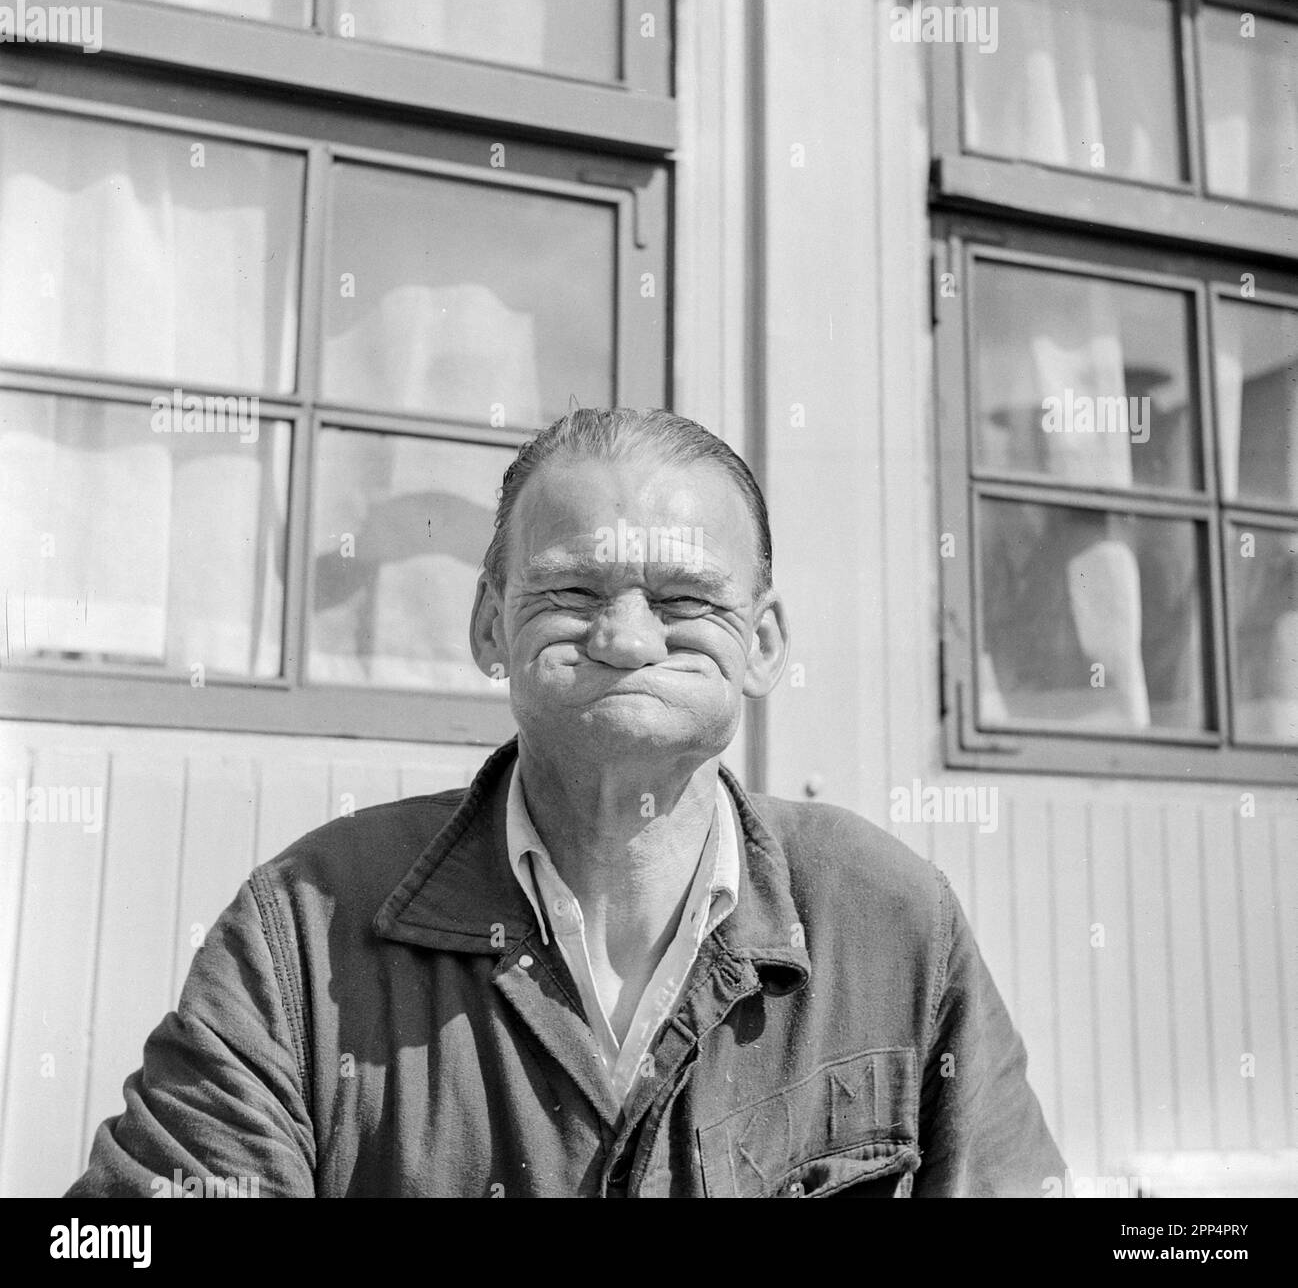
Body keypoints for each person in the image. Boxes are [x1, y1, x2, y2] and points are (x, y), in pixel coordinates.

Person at [68, 407, 1064, 1198]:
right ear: (488, 625)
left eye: (683, 600)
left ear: (761, 644)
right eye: (574, 593)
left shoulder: (892, 920)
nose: (626, 639)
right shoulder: (300, 929)